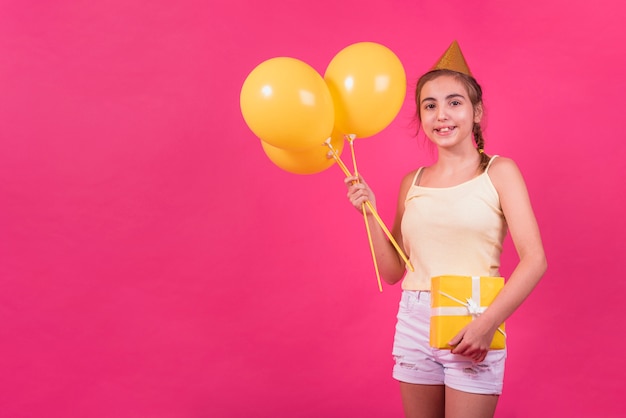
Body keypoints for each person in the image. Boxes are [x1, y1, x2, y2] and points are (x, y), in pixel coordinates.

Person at [344, 41, 547, 418]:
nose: (442, 115)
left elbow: (535, 260)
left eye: (454, 102)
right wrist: (368, 212)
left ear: (476, 112)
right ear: (421, 116)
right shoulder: (413, 182)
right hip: (414, 319)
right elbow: (392, 272)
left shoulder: (500, 172)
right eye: (430, 105)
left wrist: (487, 325)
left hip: (473, 317)